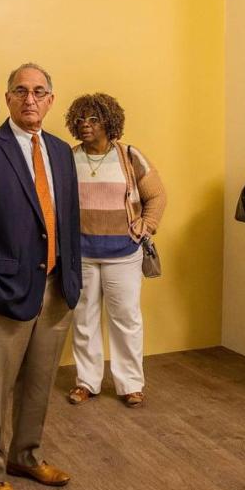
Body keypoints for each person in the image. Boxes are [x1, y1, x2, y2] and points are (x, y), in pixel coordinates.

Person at [0, 63, 81, 490]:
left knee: (39, 384)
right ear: (7, 98)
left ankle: (25, 456)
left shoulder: (63, 152)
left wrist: (73, 280)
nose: (30, 99)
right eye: (21, 91)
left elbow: (68, 220)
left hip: (55, 288)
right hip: (3, 292)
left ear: (51, 99)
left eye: (39, 91)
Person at [64, 93, 166, 408]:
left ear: (109, 122)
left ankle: (130, 385)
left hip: (123, 253)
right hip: (81, 254)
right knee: (84, 319)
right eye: (80, 119)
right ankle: (86, 382)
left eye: (93, 119)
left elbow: (157, 196)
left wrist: (146, 225)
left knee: (126, 318)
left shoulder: (129, 156)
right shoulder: (69, 158)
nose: (85, 125)